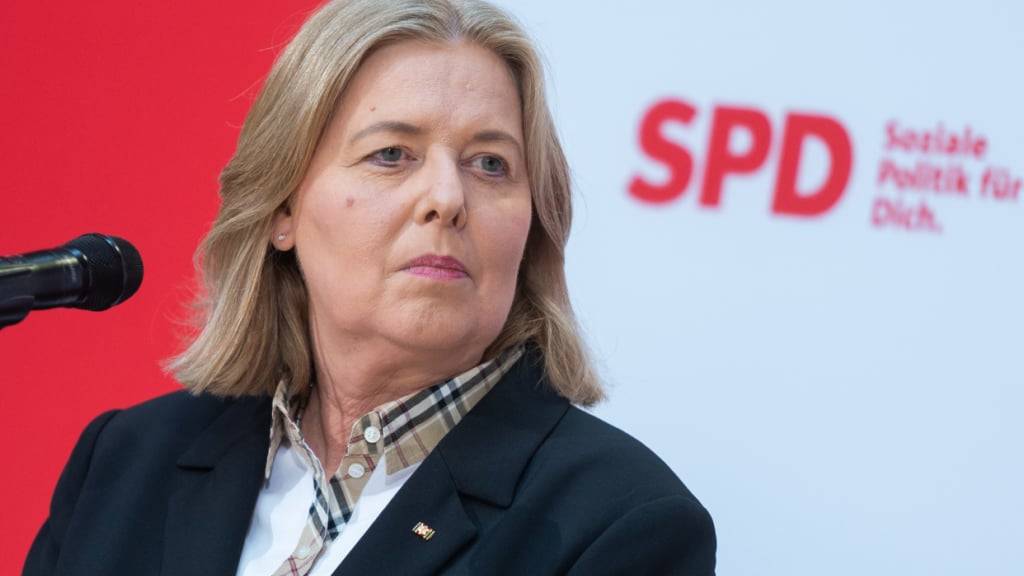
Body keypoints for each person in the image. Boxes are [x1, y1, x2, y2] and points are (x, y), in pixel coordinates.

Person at [23, 1, 716, 574]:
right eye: (392, 154)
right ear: (283, 206)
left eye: (490, 164)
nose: (447, 198)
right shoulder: (128, 461)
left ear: (534, 224)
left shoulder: (620, 523)